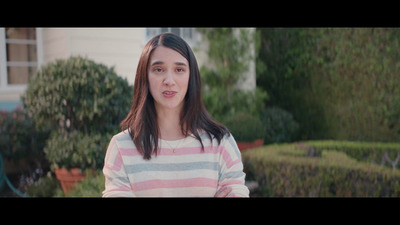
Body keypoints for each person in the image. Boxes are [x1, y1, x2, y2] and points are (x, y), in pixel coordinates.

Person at [102, 32, 250, 197]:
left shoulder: (221, 143)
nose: (169, 80)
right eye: (159, 69)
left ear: (190, 76)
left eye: (179, 69)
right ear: (145, 77)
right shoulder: (122, 147)